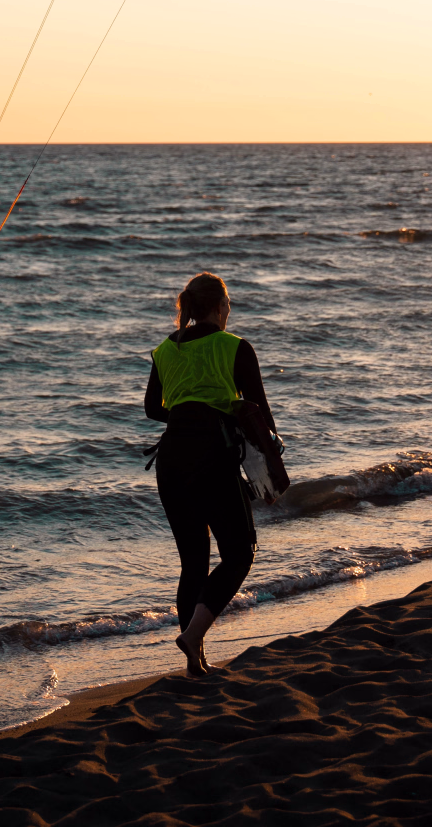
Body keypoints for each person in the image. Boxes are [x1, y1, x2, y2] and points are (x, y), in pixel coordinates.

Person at [144, 272, 288, 679]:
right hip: (212, 456)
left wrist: (188, 409)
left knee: (193, 562)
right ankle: (193, 639)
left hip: (172, 460)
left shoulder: (164, 350)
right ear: (221, 307)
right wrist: (271, 475)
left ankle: (195, 659)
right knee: (240, 553)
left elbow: (153, 409)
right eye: (228, 306)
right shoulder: (235, 347)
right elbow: (259, 413)